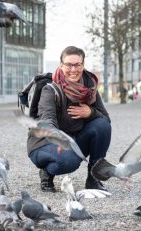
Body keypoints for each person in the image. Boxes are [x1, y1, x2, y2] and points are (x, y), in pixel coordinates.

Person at [27, 46, 112, 192]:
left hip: (72, 140)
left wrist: (90, 112)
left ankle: (93, 178)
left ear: (83, 65)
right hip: (44, 142)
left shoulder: (90, 87)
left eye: (77, 65)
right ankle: (47, 172)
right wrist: (57, 137)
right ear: (61, 65)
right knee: (68, 162)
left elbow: (106, 118)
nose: (73, 69)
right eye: (68, 65)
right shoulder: (50, 89)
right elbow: (47, 119)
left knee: (102, 125)